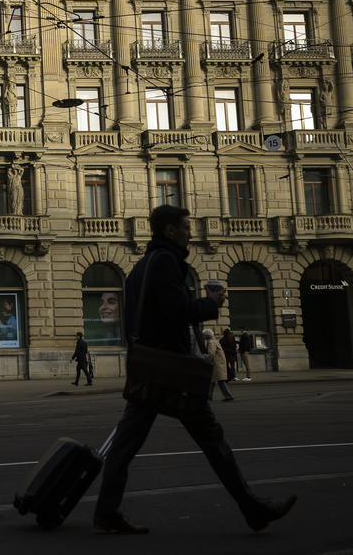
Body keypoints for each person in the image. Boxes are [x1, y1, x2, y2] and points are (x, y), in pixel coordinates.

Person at [93, 204, 296, 535]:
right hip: (172, 370)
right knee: (212, 440)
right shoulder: (164, 261)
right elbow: (179, 310)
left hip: (150, 367)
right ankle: (253, 508)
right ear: (170, 231)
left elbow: (139, 319)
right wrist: (212, 303)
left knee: (126, 443)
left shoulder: (140, 267)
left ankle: (105, 512)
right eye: (186, 228)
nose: (191, 233)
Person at [206, 328, 234, 401]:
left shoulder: (211, 342)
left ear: (207, 335)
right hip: (218, 363)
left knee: (219, 380)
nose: (203, 336)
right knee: (213, 380)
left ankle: (228, 396)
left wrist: (206, 359)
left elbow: (211, 354)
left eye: (203, 335)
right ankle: (209, 395)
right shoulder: (215, 341)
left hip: (216, 364)